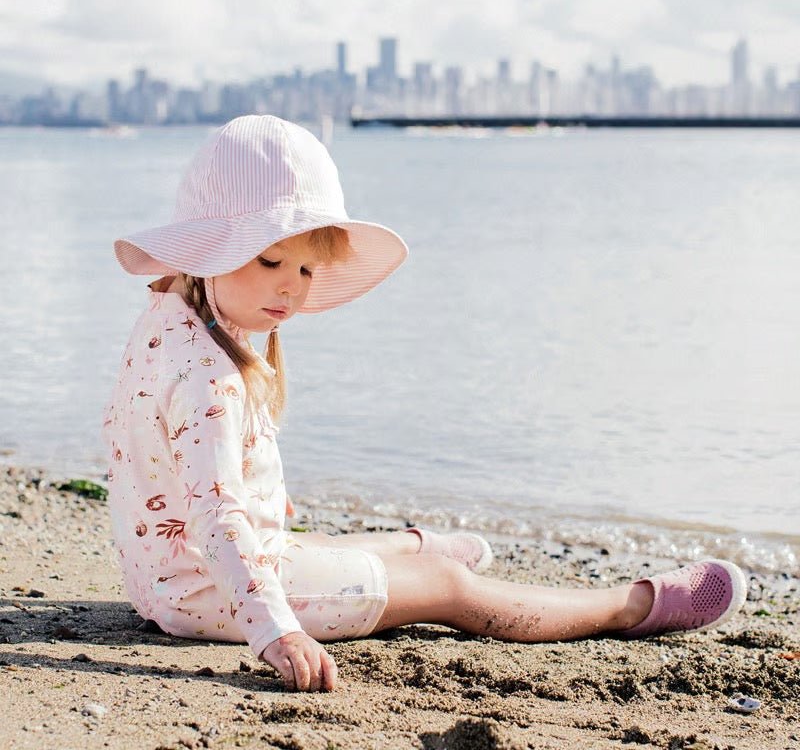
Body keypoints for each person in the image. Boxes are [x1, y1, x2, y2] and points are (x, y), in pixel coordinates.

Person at [105, 115, 747, 693]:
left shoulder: (172, 313)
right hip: (203, 591)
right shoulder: (209, 375)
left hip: (161, 570)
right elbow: (218, 516)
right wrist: (277, 632)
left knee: (325, 543)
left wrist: (259, 485)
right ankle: (629, 605)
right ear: (210, 251)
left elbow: (158, 447)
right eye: (271, 258)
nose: (291, 288)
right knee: (450, 590)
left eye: (305, 270)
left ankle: (413, 547)